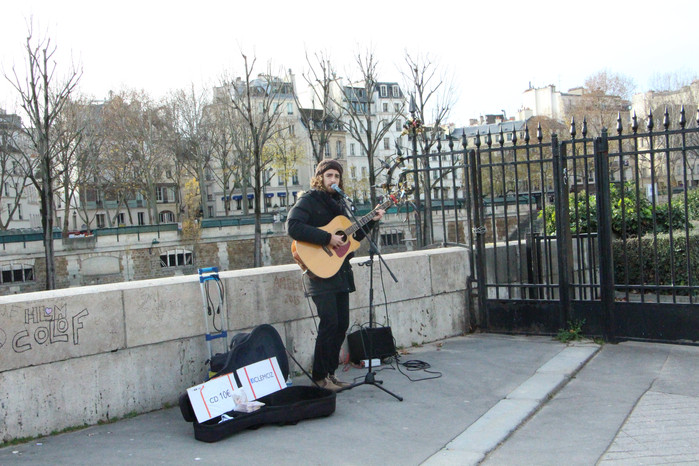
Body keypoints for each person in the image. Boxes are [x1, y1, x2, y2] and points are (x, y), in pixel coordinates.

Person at [287, 159, 385, 391]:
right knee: (329, 324)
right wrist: (326, 238)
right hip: (319, 273)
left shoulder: (339, 204)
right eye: (329, 175)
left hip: (339, 272)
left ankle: (331, 374)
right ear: (319, 177)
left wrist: (371, 221)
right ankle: (319, 377)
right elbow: (293, 227)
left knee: (342, 324)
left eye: (337, 176)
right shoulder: (308, 200)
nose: (333, 180)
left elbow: (349, 241)